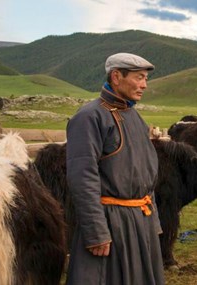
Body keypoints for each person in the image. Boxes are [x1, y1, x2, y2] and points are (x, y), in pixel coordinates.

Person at [66, 52, 164, 284]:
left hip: (140, 221)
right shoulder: (89, 117)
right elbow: (82, 178)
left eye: (146, 79)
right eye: (139, 78)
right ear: (117, 77)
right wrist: (96, 232)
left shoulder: (134, 117)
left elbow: (145, 175)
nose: (144, 85)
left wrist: (154, 223)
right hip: (111, 224)